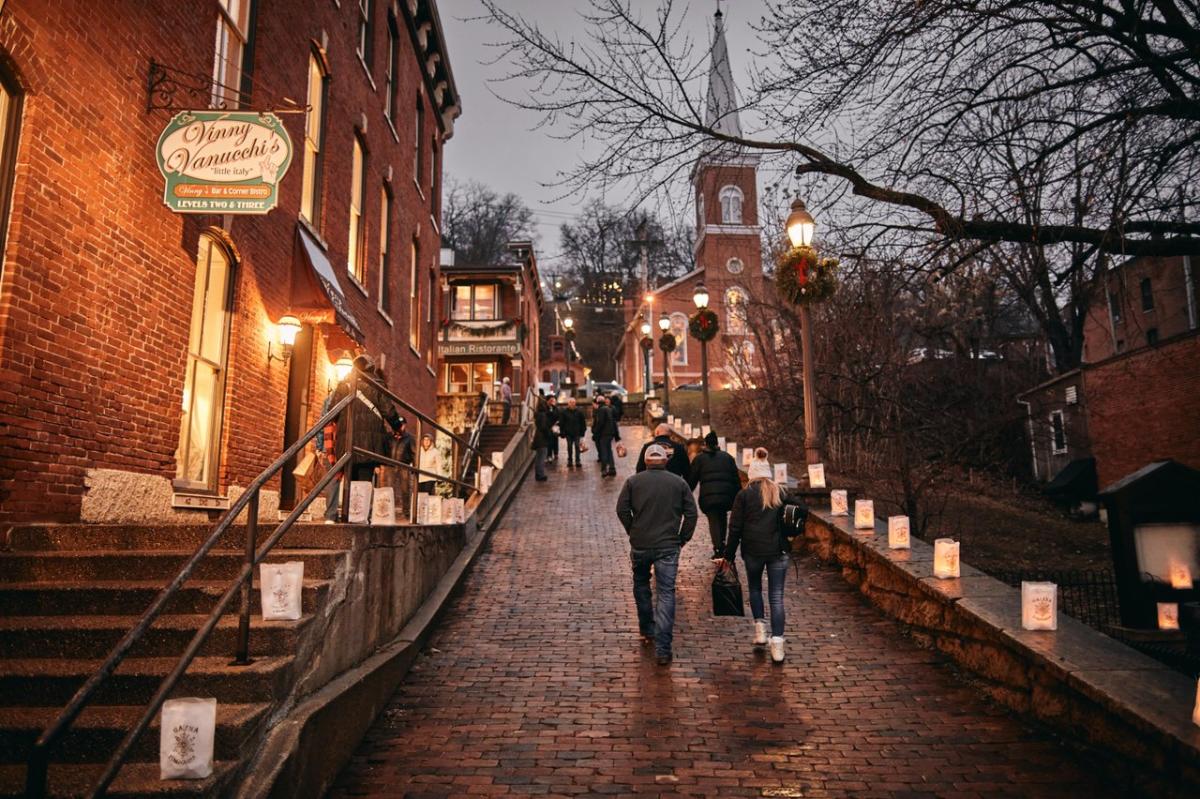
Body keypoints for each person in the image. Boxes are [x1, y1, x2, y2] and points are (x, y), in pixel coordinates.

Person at [616, 444, 698, 665]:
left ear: (645, 461)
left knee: (641, 584)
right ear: (665, 461)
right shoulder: (678, 482)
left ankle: (647, 628)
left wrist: (632, 529)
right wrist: (683, 537)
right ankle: (663, 648)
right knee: (665, 593)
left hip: (641, 543)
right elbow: (692, 513)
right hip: (668, 545)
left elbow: (621, 509)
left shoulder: (633, 482)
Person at [717, 452, 790, 663]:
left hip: (753, 552)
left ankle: (760, 630)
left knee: (756, 588)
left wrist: (728, 555)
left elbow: (735, 528)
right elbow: (801, 509)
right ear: (768, 473)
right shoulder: (780, 492)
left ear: (751, 474)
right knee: (776, 597)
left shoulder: (744, 495)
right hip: (777, 551)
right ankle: (777, 645)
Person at [323, 355, 402, 521]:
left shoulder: (344, 384)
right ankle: (360, 516)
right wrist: (398, 425)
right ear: (371, 368)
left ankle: (348, 515)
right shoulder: (377, 384)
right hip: (370, 441)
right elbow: (388, 410)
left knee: (350, 476)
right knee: (366, 477)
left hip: (347, 439)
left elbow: (332, 411)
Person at [688, 431, 743, 560]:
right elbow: (735, 479)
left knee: (713, 521)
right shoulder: (728, 457)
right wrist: (739, 496)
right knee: (722, 518)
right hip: (725, 496)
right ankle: (722, 544)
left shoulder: (699, 459)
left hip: (708, 497)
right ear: (717, 444)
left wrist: (685, 493)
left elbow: (692, 479)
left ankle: (718, 548)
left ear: (705, 444)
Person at [591, 395, 618, 477]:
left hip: (604, 434)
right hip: (609, 433)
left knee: (604, 452)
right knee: (609, 450)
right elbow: (613, 422)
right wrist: (616, 434)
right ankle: (612, 468)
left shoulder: (601, 410)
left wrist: (596, 433)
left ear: (597, 402)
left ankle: (604, 469)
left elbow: (600, 423)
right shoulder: (608, 409)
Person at [558, 396, 587, 468]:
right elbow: (562, 423)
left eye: (573, 402)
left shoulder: (579, 412)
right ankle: (570, 460)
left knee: (577, 446)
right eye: (570, 402)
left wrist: (583, 432)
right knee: (569, 446)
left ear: (575, 403)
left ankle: (578, 460)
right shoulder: (564, 412)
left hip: (577, 432)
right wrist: (562, 432)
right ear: (568, 403)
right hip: (568, 433)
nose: (572, 404)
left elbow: (583, 422)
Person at [531, 396, 555, 481]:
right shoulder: (543, 415)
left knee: (539, 457)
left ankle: (538, 474)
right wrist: (549, 433)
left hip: (538, 438)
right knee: (541, 457)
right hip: (542, 439)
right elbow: (544, 427)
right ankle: (540, 474)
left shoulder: (538, 415)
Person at [545, 394, 560, 464]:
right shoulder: (545, 408)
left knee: (555, 440)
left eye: (553, 400)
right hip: (548, 427)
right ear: (547, 401)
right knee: (549, 442)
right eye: (551, 400)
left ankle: (556, 453)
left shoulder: (555, 408)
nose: (552, 402)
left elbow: (558, 416)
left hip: (554, 427)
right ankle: (549, 455)